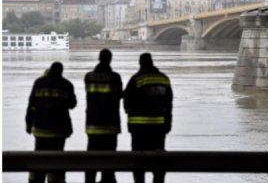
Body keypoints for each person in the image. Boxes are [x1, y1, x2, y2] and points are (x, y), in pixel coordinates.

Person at [124, 53, 173, 183]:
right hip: (158, 127)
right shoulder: (164, 79)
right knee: (157, 159)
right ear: (152, 62)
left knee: (138, 160)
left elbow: (127, 102)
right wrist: (168, 122)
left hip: (138, 129)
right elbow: (169, 104)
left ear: (140, 63)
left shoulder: (136, 79)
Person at [25, 62, 77, 183]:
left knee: (38, 158)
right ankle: (55, 179)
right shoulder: (66, 84)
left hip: (40, 130)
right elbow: (72, 104)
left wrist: (28, 125)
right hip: (58, 131)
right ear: (61, 71)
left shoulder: (38, 83)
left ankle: (36, 179)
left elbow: (31, 105)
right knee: (57, 160)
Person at [84, 49, 123, 183]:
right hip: (111, 126)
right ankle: (107, 179)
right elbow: (119, 96)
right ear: (110, 59)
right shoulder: (115, 77)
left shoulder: (88, 77)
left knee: (91, 158)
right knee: (110, 158)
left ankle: (90, 180)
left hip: (93, 125)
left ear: (99, 58)